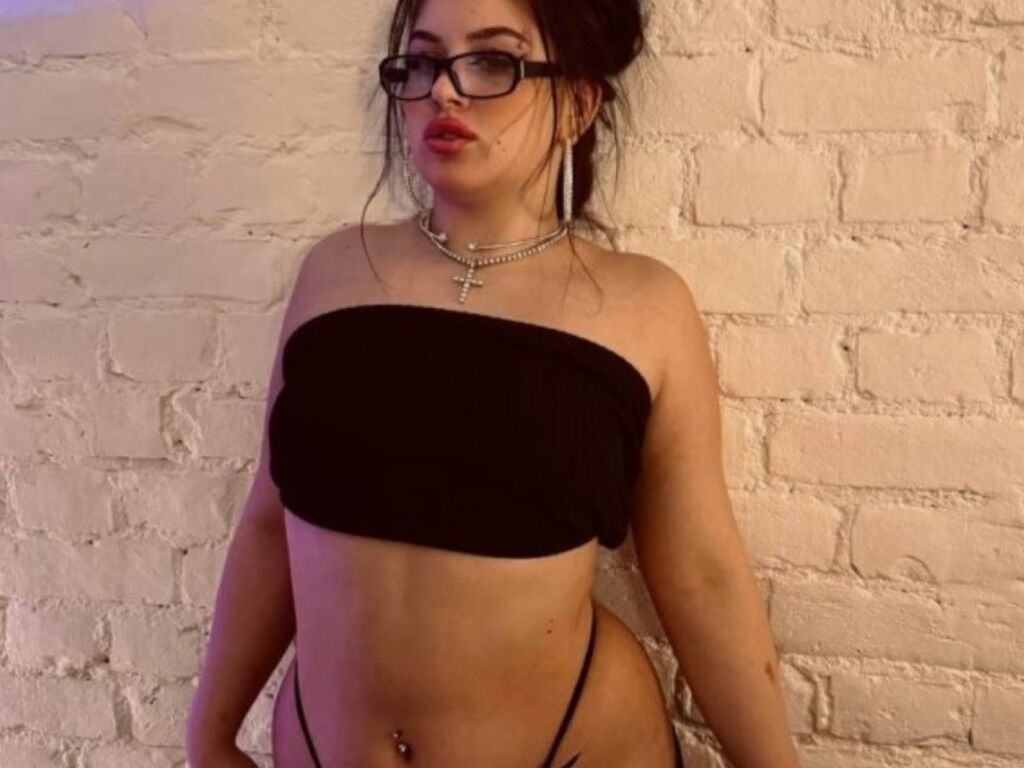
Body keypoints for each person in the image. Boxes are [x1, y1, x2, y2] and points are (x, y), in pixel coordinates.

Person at [185, 0, 803, 766]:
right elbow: (268, 522)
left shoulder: (645, 308)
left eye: (491, 61)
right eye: (423, 62)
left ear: (578, 104)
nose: (444, 91)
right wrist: (208, 732)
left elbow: (702, 574)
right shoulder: (333, 273)